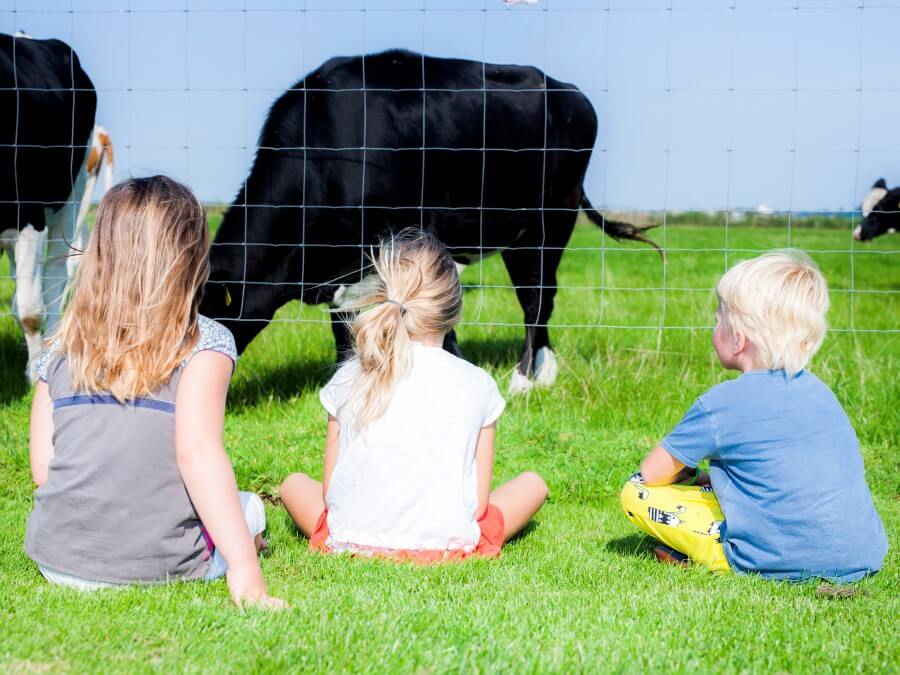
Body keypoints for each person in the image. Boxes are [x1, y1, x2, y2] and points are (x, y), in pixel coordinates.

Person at [25, 176, 282, 607]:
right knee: (250, 507)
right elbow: (198, 456)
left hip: (58, 562)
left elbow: (44, 469)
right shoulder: (204, 344)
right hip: (162, 565)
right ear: (191, 257)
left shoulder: (61, 346)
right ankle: (242, 547)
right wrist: (244, 569)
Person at [280, 230, 548, 561]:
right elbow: (478, 506)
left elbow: (328, 490)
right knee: (533, 484)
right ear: (455, 308)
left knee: (292, 484)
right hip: (446, 548)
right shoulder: (479, 384)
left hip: (350, 539)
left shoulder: (349, 375)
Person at [620, 250, 887, 582]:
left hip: (772, 561)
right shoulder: (822, 393)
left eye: (718, 318)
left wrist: (694, 475)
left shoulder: (720, 403)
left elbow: (652, 472)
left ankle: (717, 553)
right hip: (864, 554)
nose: (714, 325)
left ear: (738, 340)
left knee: (636, 492)